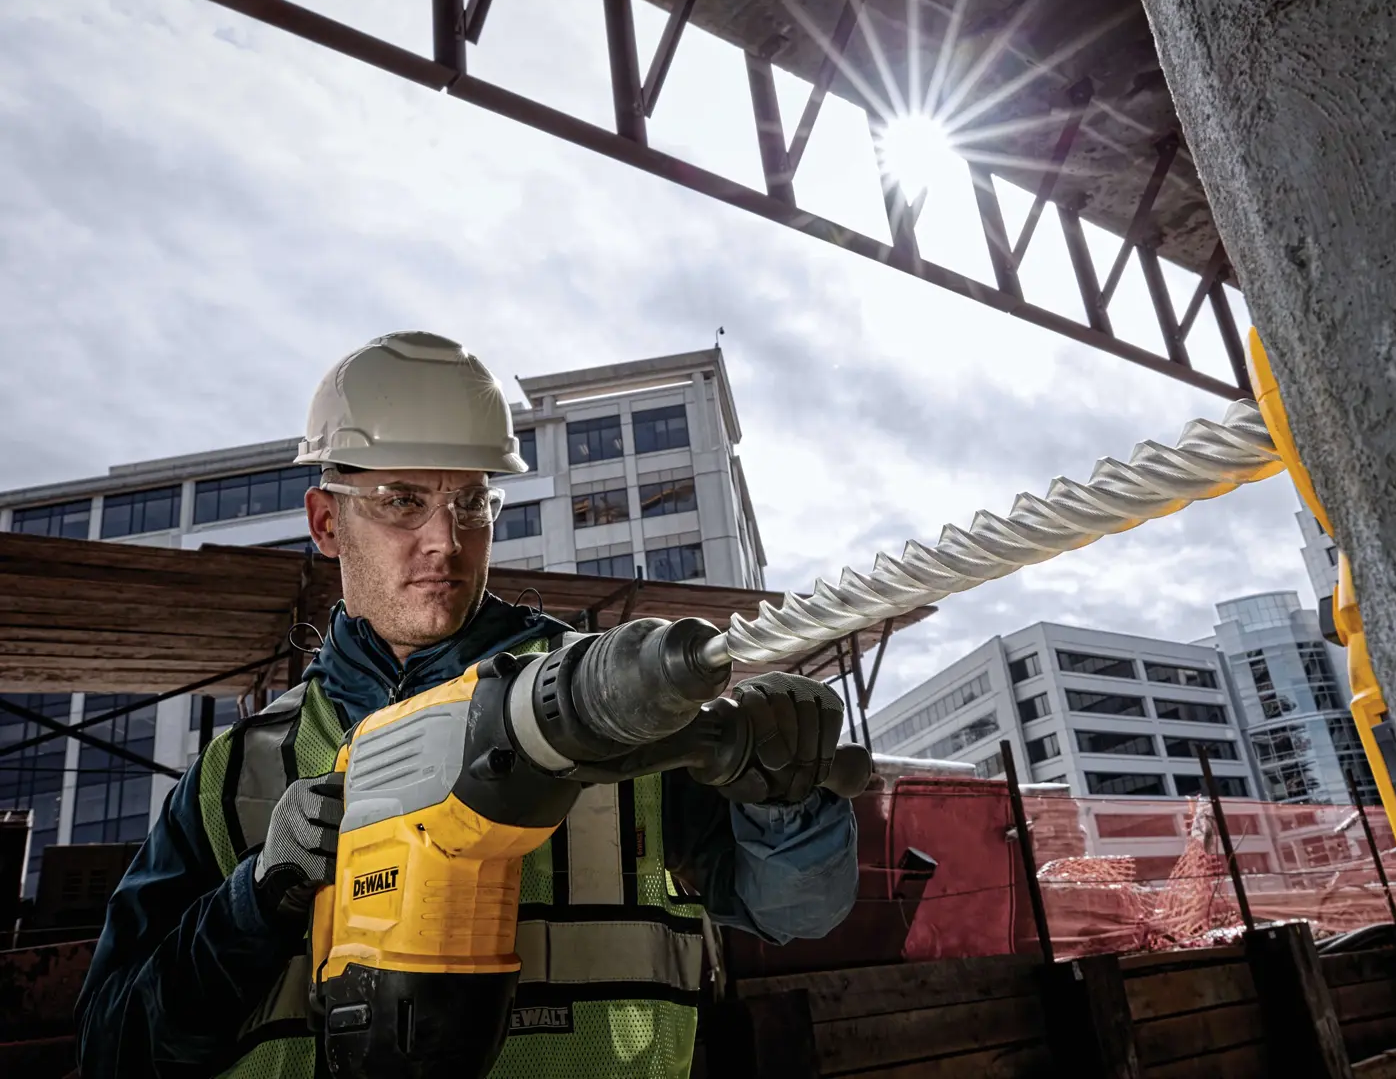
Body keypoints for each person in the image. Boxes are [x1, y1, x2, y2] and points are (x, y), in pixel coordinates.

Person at [76, 331, 859, 1078]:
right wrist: (257, 895)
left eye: (471, 504)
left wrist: (784, 800)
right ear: (325, 521)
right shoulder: (234, 775)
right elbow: (116, 1050)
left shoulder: (606, 704)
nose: (445, 542)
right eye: (401, 500)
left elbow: (796, 910)